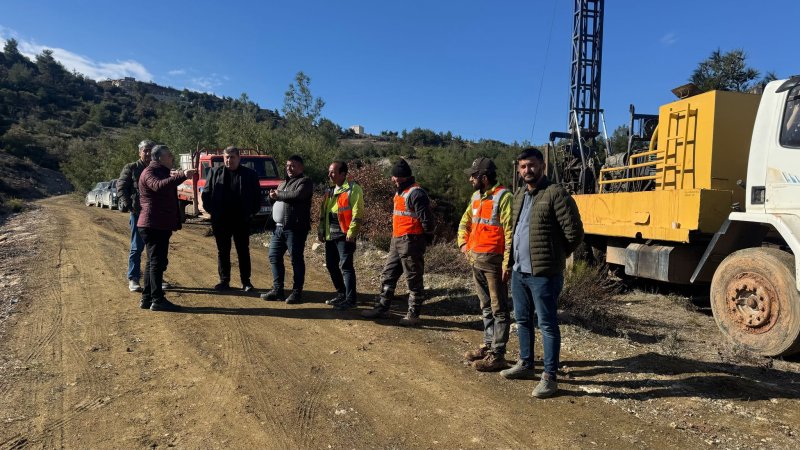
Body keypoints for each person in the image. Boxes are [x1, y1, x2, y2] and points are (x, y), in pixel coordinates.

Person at [502, 147, 583, 398]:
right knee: (522, 320)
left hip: (544, 275)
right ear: (519, 169)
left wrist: (554, 258)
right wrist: (509, 264)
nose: (528, 170)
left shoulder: (555, 194)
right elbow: (513, 233)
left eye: (533, 165)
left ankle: (550, 377)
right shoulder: (518, 196)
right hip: (519, 272)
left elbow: (574, 234)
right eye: (523, 166)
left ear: (542, 166)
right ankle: (526, 364)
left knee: (547, 324)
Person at [361, 158, 434, 326]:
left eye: (396, 176)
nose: (393, 179)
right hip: (397, 239)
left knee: (413, 279)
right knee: (388, 274)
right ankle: (382, 308)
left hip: (411, 240)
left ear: (404, 177)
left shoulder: (416, 193)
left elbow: (428, 222)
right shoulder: (400, 192)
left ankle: (413, 314)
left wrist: (424, 239)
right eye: (393, 176)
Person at [457, 157, 513, 372]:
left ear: (484, 177)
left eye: (474, 175)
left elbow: (510, 233)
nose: (470, 178)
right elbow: (465, 223)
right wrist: (464, 245)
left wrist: (507, 264)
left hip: (495, 263)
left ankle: (498, 355)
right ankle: (489, 345)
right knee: (486, 306)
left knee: (499, 309)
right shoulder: (475, 197)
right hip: (476, 260)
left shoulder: (503, 197)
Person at [137, 145, 195, 312]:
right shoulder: (150, 172)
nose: (172, 158)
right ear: (160, 158)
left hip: (156, 223)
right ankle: (157, 299)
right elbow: (158, 186)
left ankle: (147, 298)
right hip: (153, 224)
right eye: (169, 155)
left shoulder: (159, 171)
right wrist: (182, 175)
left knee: (152, 262)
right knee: (156, 262)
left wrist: (176, 175)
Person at [201, 146, 261, 292]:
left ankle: (246, 282)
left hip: (241, 220)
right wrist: (213, 212)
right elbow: (206, 194)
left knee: (243, 251)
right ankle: (224, 281)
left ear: (239, 158)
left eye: (232, 157)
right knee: (223, 251)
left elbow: (257, 197)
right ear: (223, 158)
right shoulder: (215, 172)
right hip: (221, 220)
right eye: (226, 157)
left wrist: (251, 213)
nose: (229, 160)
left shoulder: (250, 174)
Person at [260, 155, 313, 304]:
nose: (289, 168)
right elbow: (277, 200)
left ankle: (297, 292)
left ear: (301, 168)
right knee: (274, 256)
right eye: (288, 165)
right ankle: (278, 290)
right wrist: (272, 197)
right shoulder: (282, 183)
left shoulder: (305, 182)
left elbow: (297, 195)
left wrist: (278, 195)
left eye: (293, 166)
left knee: (296, 259)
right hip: (278, 228)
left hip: (295, 228)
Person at [318, 161, 364, 310]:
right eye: (329, 172)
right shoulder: (329, 191)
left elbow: (358, 213)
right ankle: (341, 294)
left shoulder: (353, 189)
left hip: (345, 235)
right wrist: (321, 232)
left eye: (333, 172)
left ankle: (351, 299)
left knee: (346, 267)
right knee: (331, 265)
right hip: (331, 235)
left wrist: (352, 232)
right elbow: (324, 215)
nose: (330, 175)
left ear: (343, 174)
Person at [118, 140, 154, 292]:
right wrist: (129, 206)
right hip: (138, 213)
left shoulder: (157, 168)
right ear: (139, 152)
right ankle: (133, 278)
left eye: (150, 150)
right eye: (145, 150)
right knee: (136, 247)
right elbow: (121, 186)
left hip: (155, 213)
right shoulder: (131, 168)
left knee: (154, 249)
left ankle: (155, 277)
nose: (147, 153)